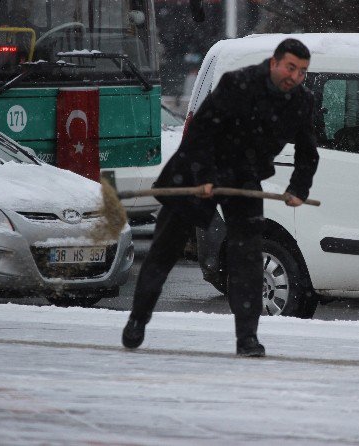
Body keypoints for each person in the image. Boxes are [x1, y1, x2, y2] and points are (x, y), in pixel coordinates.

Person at [122, 38, 319, 357]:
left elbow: (308, 153)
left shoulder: (301, 102)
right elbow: (201, 133)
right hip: (195, 170)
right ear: (274, 63)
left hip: (244, 177)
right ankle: (137, 320)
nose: (295, 77)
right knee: (164, 251)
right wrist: (206, 177)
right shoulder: (237, 84)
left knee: (247, 257)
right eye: (290, 68)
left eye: (302, 72)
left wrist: (299, 188)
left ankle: (247, 339)